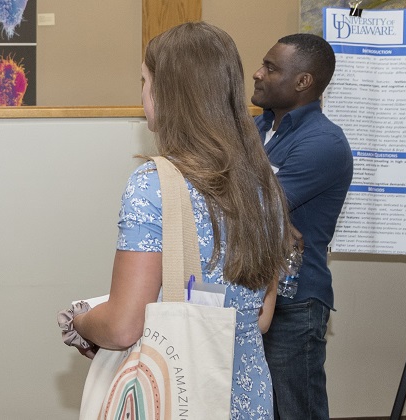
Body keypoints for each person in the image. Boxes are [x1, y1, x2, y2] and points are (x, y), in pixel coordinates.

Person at [61, 22, 292, 418]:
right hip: (248, 396)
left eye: (144, 81)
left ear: (166, 94)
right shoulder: (264, 181)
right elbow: (263, 317)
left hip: (181, 396)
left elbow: (123, 326)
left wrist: (79, 321)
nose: (142, 93)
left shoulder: (154, 183)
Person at [252, 33, 353, 420]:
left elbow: (254, 208)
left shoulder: (323, 142)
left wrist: (250, 200)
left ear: (303, 81)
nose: (258, 74)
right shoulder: (255, 130)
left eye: (271, 67)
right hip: (252, 295)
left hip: (294, 304)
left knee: (296, 412)